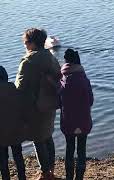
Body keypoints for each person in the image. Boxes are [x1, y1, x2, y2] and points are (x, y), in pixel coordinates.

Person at [15, 28, 61, 179]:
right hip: (50, 103)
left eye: (26, 42)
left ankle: (45, 173)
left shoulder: (28, 61)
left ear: (33, 43)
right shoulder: (51, 57)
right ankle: (51, 170)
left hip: (34, 106)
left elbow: (19, 87)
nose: (25, 45)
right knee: (48, 135)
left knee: (37, 138)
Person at [60, 49, 93, 180]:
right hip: (84, 121)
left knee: (69, 150)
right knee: (81, 151)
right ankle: (79, 177)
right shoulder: (84, 79)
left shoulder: (62, 80)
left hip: (68, 122)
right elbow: (90, 101)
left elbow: (58, 103)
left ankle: (69, 177)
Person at [0, 66, 26, 180]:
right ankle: (22, 177)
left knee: (3, 161)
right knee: (18, 157)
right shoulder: (14, 89)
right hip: (15, 131)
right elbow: (21, 108)